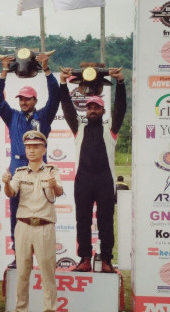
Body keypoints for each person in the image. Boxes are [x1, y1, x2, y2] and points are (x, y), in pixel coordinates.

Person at [0, 54, 60, 268]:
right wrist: (3, 71)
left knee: (42, 208)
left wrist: (47, 70)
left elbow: (56, 96)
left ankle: (44, 254)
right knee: (17, 212)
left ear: (35, 101)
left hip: (40, 168)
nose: (23, 102)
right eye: (20, 98)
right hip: (17, 166)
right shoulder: (12, 116)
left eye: (27, 99)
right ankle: (19, 254)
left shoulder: (44, 115)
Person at [59, 67, 126, 273]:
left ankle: (106, 260)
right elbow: (68, 108)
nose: (93, 110)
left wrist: (121, 83)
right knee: (83, 221)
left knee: (106, 221)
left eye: (97, 107)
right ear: (86, 110)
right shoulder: (78, 128)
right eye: (90, 107)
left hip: (105, 181)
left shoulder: (111, 129)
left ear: (103, 111)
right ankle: (85, 259)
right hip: (84, 181)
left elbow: (120, 108)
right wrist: (62, 84)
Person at [2, 130, 63, 312]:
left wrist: (54, 185)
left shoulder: (52, 171)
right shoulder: (19, 172)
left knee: (47, 273)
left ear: (44, 149)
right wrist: (5, 183)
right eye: (28, 147)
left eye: (36, 146)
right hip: (23, 227)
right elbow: (11, 193)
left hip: (45, 227)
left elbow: (59, 193)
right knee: (22, 272)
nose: (31, 150)